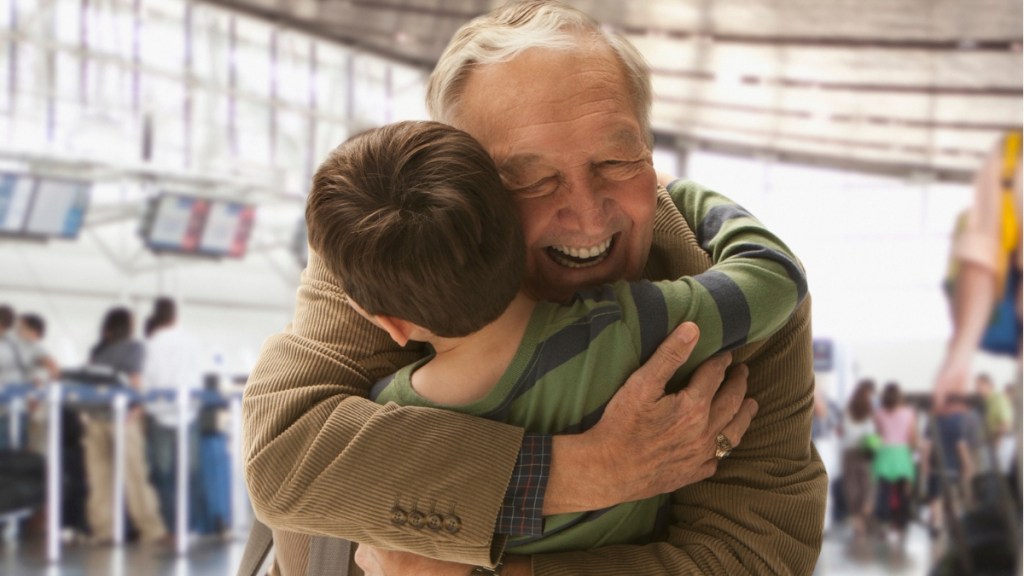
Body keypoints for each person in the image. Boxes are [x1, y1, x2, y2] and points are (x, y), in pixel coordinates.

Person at [241, 1, 825, 574]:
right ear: (462, 181)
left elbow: (758, 554)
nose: (589, 218)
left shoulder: (723, 288)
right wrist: (580, 472)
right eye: (531, 179)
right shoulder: (395, 246)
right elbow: (285, 452)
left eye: (617, 161)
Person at [82, 307, 167, 544]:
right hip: (122, 417)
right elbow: (135, 380)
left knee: (99, 478)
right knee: (135, 475)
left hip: (94, 416)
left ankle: (103, 530)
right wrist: (139, 407)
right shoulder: (134, 347)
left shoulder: (98, 351)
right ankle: (150, 529)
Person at [141, 297, 202, 533]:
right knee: (190, 472)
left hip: (161, 414)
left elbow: (148, 379)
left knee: (163, 474)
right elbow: (198, 374)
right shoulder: (190, 341)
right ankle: (190, 526)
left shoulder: (152, 343)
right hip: (188, 412)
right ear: (175, 316)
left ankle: (170, 527)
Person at [872, 382, 918, 553]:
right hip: (902, 455)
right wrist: (913, 450)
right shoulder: (909, 413)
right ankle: (899, 525)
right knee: (902, 492)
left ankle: (884, 524)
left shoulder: (879, 414)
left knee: (884, 492)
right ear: (900, 397)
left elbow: (878, 435)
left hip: (884, 455)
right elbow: (912, 437)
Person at [840, 380, 878, 550]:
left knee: (851, 486)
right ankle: (867, 509)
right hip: (866, 451)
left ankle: (858, 523)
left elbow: (841, 430)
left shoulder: (848, 409)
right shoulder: (869, 410)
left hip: (849, 452)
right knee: (867, 484)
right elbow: (872, 431)